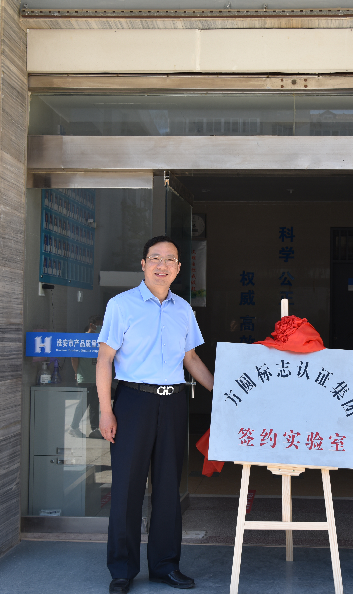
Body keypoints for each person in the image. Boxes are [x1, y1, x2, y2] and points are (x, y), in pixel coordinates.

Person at [96, 236, 214, 594]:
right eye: (156, 258)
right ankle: (122, 569)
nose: (162, 265)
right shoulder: (121, 305)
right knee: (127, 488)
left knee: (167, 487)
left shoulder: (184, 309)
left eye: (170, 259)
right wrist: (106, 410)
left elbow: (191, 359)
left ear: (178, 268)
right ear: (144, 264)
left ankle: (165, 566)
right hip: (133, 401)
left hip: (173, 403)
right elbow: (104, 360)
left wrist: (223, 392)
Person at [69, 315, 103, 439]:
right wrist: (77, 372)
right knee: (84, 403)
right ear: (91, 325)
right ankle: (73, 427)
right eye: (99, 325)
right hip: (85, 377)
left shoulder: (100, 340)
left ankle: (94, 429)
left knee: (94, 404)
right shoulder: (82, 339)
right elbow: (74, 358)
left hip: (96, 378)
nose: (101, 327)